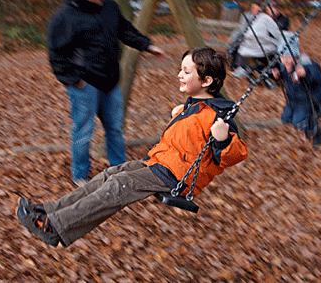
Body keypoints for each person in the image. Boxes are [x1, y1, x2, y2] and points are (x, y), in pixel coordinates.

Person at [16, 47, 248, 247]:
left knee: (119, 185)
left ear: (206, 81)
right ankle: (49, 211)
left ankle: (54, 227)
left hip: (176, 176)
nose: (179, 75)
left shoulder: (218, 116)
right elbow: (186, 138)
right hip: (158, 164)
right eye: (181, 69)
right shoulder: (193, 105)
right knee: (109, 174)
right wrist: (179, 115)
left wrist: (222, 139)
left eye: (186, 72)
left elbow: (235, 154)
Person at [47, 0, 165, 187]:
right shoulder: (64, 17)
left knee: (115, 129)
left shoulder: (109, 7)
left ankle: (119, 169)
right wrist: (75, 81)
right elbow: (56, 55)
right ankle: (80, 174)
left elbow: (125, 29)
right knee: (84, 130)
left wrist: (147, 45)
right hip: (84, 85)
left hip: (110, 82)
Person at [272, 32, 321, 149]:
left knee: (298, 123)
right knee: (285, 118)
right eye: (282, 57)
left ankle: (317, 131)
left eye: (288, 57)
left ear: (296, 55)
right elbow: (285, 74)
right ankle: (308, 126)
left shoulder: (307, 65)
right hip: (292, 100)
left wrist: (305, 73)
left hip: (306, 102)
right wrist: (278, 75)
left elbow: (316, 76)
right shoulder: (285, 66)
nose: (285, 60)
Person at [230, 2, 282, 79]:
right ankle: (241, 68)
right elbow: (243, 29)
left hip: (263, 44)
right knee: (241, 46)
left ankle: (246, 69)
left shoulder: (265, 18)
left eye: (258, 9)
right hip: (250, 42)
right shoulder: (248, 16)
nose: (256, 10)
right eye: (254, 9)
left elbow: (277, 34)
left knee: (245, 48)